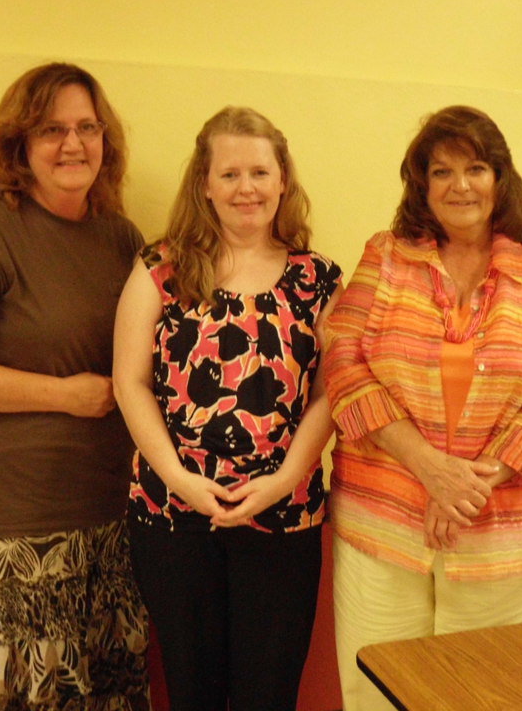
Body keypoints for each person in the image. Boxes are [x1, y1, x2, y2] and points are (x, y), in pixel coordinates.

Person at [323, 105, 522, 710]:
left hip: (508, 529)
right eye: (441, 172)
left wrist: (465, 486)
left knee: (488, 696)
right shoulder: (385, 257)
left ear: (500, 179)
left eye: (475, 169)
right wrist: (429, 467)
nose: (459, 185)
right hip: (384, 517)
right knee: (377, 689)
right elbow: (342, 358)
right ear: (421, 186)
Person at [0, 63, 150, 709]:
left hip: (103, 510)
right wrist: (63, 395)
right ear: (18, 144)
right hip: (5, 520)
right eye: (51, 130)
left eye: (87, 128)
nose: (73, 144)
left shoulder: (119, 236)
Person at [113, 106, 342, 711]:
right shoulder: (160, 268)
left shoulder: (318, 279)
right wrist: (180, 479)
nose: (247, 188)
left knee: (270, 695)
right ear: (205, 184)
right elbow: (130, 383)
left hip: (283, 516)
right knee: (195, 694)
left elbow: (331, 392)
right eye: (230, 174)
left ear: (282, 180)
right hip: (174, 516)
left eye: (260, 172)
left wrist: (284, 480)